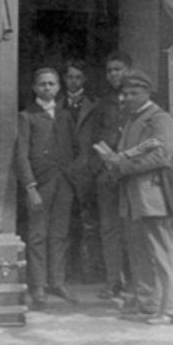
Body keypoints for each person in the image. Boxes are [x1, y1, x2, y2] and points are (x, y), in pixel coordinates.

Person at [97, 69, 173, 325]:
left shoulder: (160, 119)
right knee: (139, 253)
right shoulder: (132, 119)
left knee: (161, 253)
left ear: (147, 93)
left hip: (153, 197)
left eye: (134, 93)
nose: (127, 98)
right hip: (133, 197)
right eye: (125, 93)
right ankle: (148, 305)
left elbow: (162, 155)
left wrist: (122, 165)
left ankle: (170, 309)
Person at [15, 67, 78, 308]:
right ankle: (38, 285)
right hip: (40, 183)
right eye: (42, 84)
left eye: (52, 84)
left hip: (63, 183)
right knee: (38, 234)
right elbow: (21, 154)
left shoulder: (64, 116)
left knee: (60, 234)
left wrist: (71, 175)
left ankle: (57, 282)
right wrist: (30, 186)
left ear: (59, 87)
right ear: (34, 88)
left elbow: (74, 148)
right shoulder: (27, 116)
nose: (47, 88)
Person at [90, 50, 132, 301]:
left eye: (118, 69)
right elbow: (95, 137)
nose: (113, 74)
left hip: (132, 174)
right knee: (109, 229)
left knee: (132, 229)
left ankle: (134, 284)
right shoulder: (103, 104)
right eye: (109, 71)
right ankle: (113, 281)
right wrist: (101, 166)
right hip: (107, 174)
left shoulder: (141, 100)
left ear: (128, 70)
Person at [60, 59, 100, 285]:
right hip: (63, 171)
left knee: (88, 224)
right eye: (69, 77)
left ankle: (89, 271)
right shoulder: (56, 104)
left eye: (78, 77)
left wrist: (92, 164)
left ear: (84, 79)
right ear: (64, 79)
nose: (73, 81)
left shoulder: (95, 105)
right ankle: (65, 273)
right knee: (64, 222)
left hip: (86, 171)